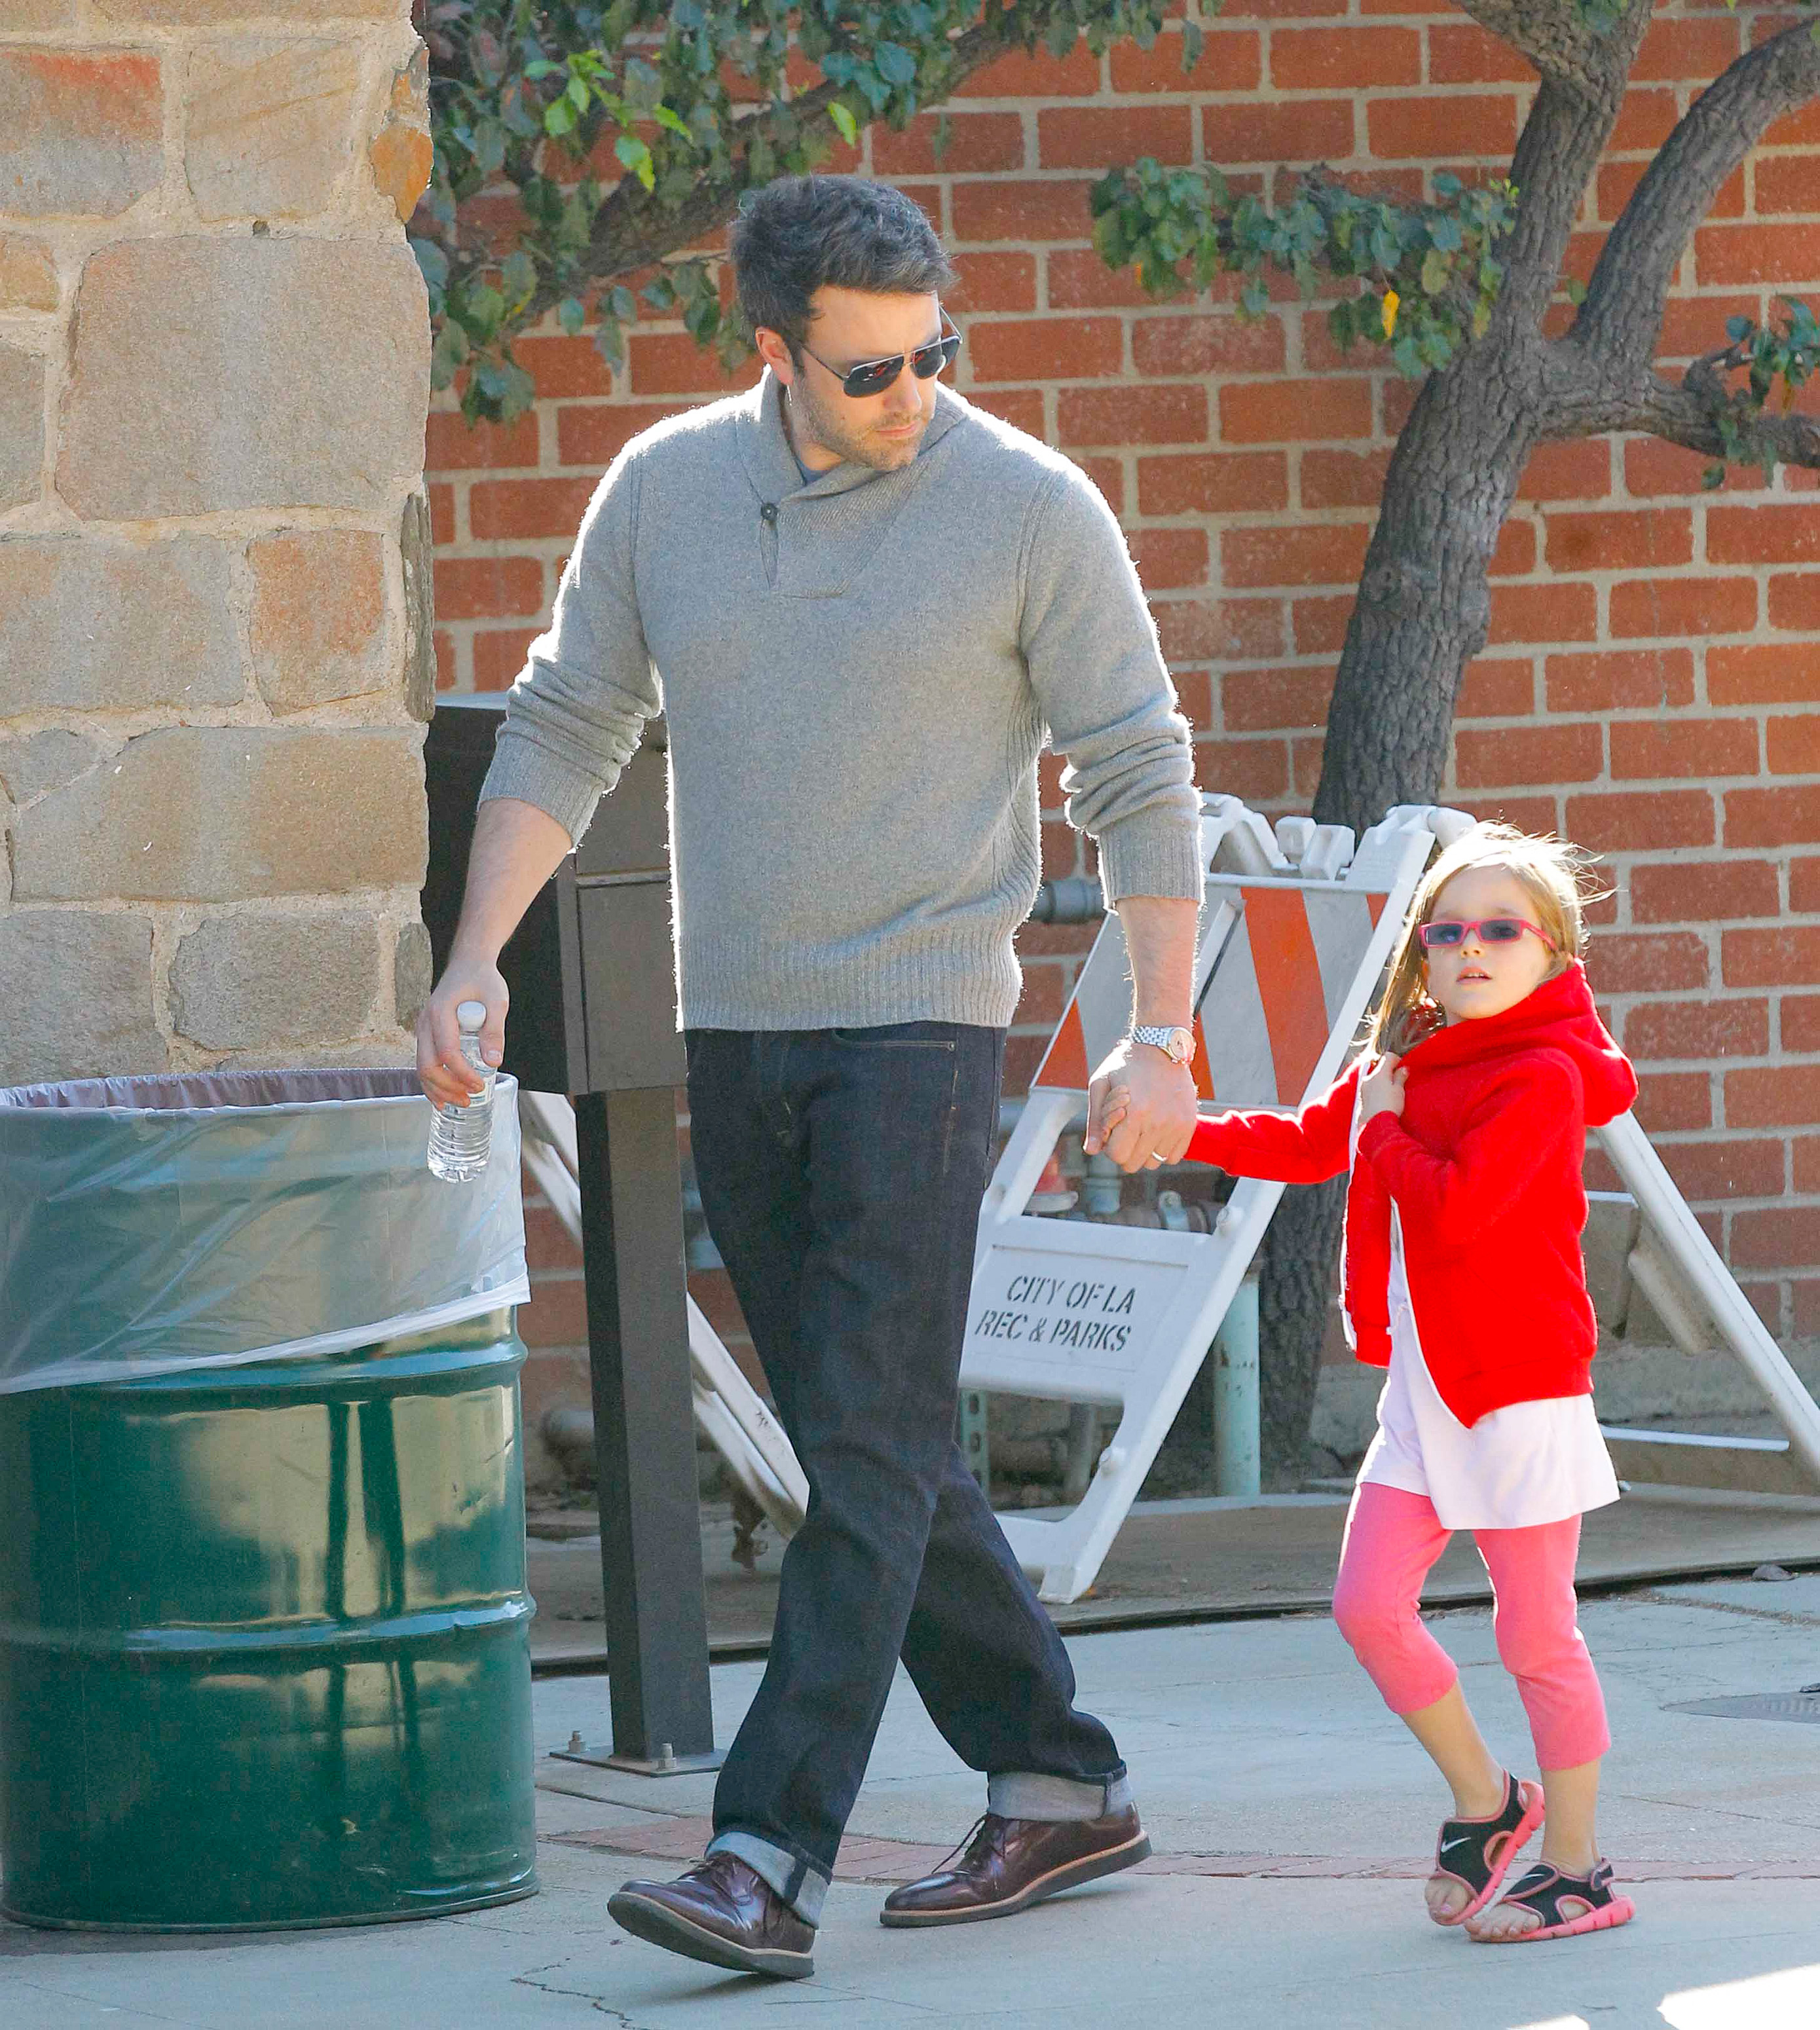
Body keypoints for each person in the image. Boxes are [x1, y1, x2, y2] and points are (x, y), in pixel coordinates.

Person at [417, 173, 1205, 1981]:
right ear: (773, 352)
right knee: (883, 1440)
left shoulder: (1026, 508)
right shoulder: (667, 491)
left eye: (936, 352)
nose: (913, 390)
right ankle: (1059, 1776)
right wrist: (469, 962)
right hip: (741, 1021)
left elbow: (1136, 767)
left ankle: (767, 1848)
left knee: (851, 1441)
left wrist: (1152, 1032)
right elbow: (564, 715)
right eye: (868, 371)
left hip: (922, 1020)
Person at [1102, 821, 1639, 1944]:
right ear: (1424, 960)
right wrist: (1186, 1124)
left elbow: (1453, 1202)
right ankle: (1490, 1802)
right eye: (1448, 932)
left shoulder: (1543, 1077)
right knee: (1366, 1607)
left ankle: (1579, 1869)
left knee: (1538, 1639)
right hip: (1426, 1395)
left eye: (1502, 929)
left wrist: (1384, 1131)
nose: (1472, 948)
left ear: (1554, 953)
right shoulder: (1409, 1069)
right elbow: (1311, 1142)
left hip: (1519, 1388)